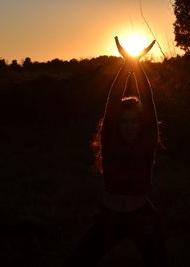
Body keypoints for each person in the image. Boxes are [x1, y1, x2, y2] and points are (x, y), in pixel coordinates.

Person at [66, 37, 167, 266]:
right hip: (110, 217)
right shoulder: (110, 141)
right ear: (115, 124)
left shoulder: (146, 142)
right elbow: (111, 104)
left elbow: (149, 105)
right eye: (124, 121)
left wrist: (137, 65)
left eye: (134, 121)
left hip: (142, 215)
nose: (129, 126)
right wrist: (126, 63)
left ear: (141, 125)